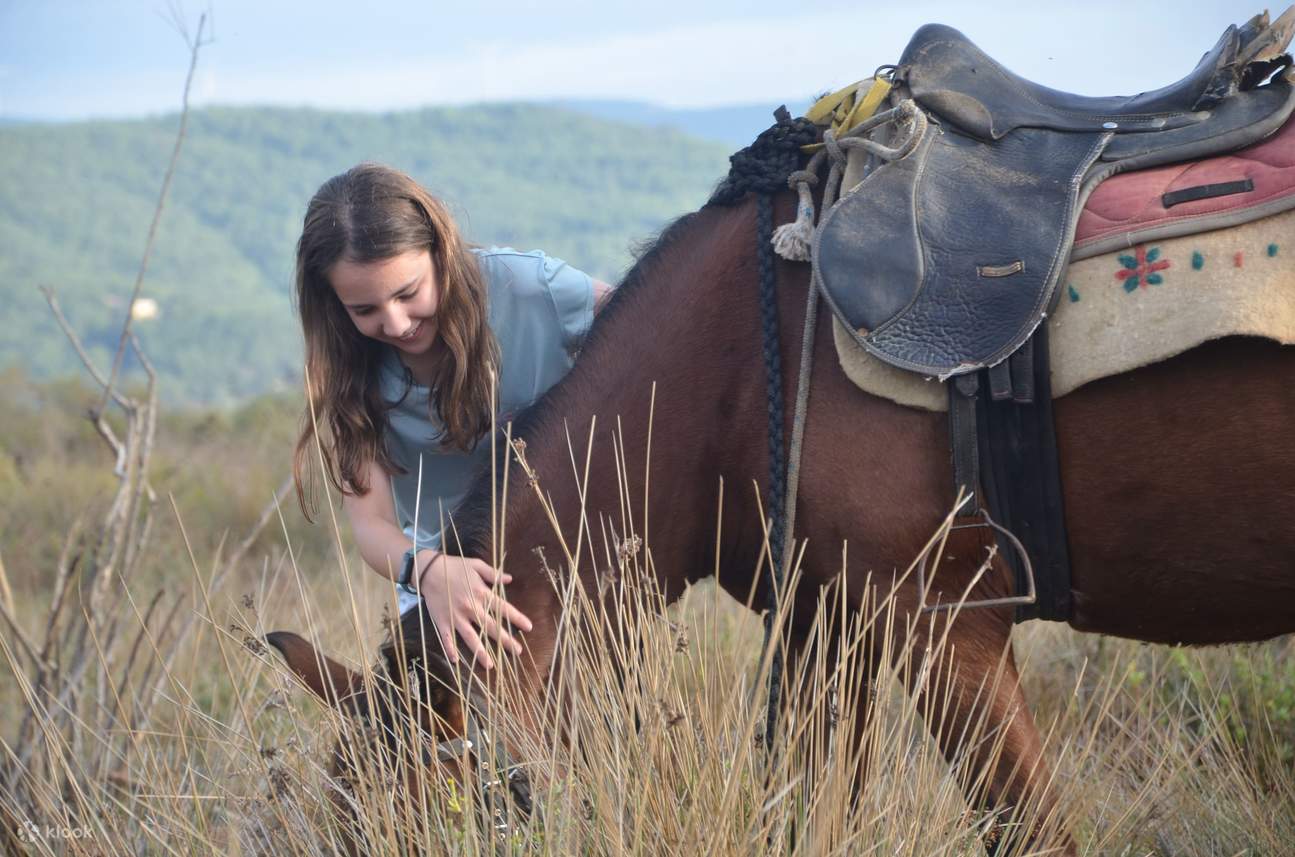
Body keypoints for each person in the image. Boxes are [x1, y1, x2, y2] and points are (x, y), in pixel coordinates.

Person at [291, 162, 612, 669]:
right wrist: (428, 571)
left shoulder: (533, 289)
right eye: (364, 309)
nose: (396, 323)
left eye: (408, 293)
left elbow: (646, 333)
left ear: (440, 253)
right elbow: (371, 525)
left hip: (582, 565)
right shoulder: (347, 369)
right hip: (440, 582)